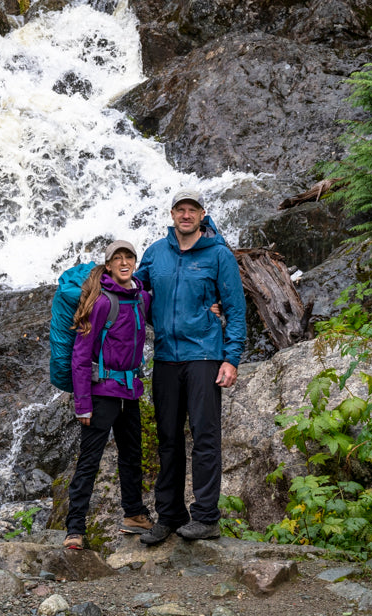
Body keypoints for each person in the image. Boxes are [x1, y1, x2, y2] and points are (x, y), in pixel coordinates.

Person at [135, 188, 246, 545]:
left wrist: (231, 357)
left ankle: (207, 517)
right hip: (166, 356)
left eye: (192, 209)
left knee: (205, 436)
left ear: (202, 215)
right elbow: (134, 292)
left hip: (203, 355)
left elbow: (237, 310)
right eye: (180, 209)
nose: (186, 215)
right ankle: (169, 515)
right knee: (167, 438)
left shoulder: (219, 256)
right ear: (172, 215)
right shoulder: (155, 253)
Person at [63, 240, 154, 549]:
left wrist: (211, 306)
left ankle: (133, 515)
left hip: (129, 392)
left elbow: (168, 310)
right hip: (101, 393)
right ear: (109, 265)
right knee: (89, 460)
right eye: (118, 258)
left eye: (129, 257)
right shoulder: (101, 302)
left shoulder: (141, 298)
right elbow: (80, 355)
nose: (125, 262)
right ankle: (75, 528)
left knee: (131, 456)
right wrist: (82, 404)